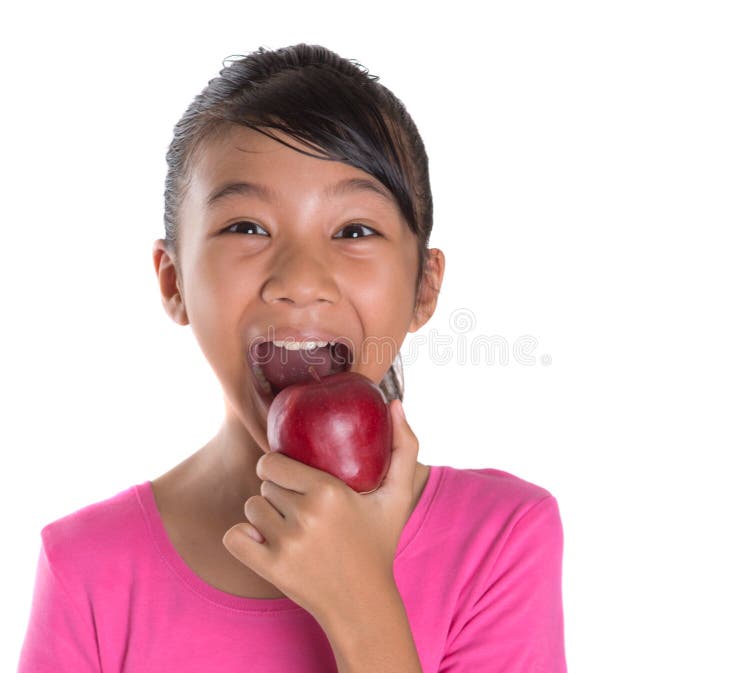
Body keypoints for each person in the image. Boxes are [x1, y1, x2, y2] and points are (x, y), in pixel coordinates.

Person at [17, 43, 567, 672]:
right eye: (247, 227)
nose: (301, 279)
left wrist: (358, 599)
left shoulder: (500, 542)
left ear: (425, 288)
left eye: (354, 231)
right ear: (173, 282)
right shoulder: (84, 567)